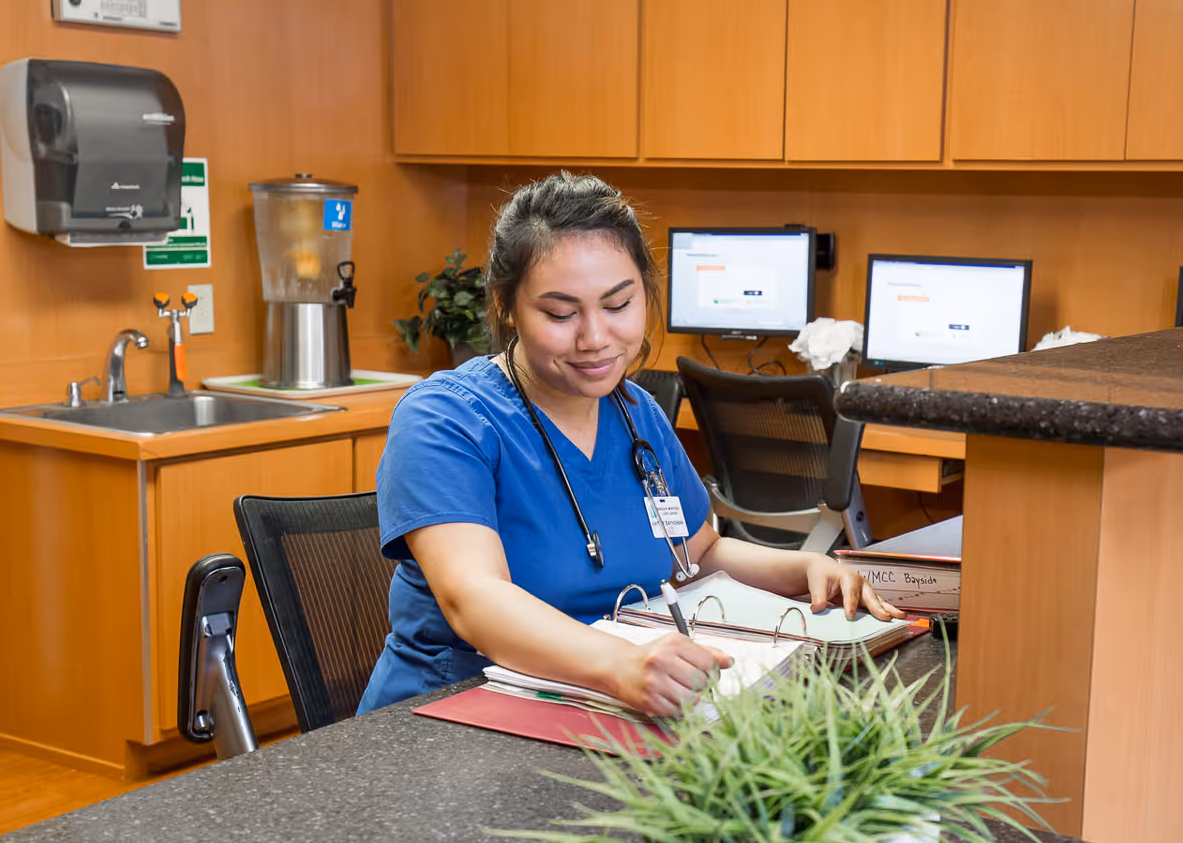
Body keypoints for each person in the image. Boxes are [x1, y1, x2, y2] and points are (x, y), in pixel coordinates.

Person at [360, 172, 896, 717]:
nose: (595, 338)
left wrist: (802, 570)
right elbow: (474, 599)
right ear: (505, 307)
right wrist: (619, 666)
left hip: (602, 701)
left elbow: (694, 555)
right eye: (560, 313)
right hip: (451, 714)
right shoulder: (446, 418)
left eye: (618, 305)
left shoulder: (636, 412)